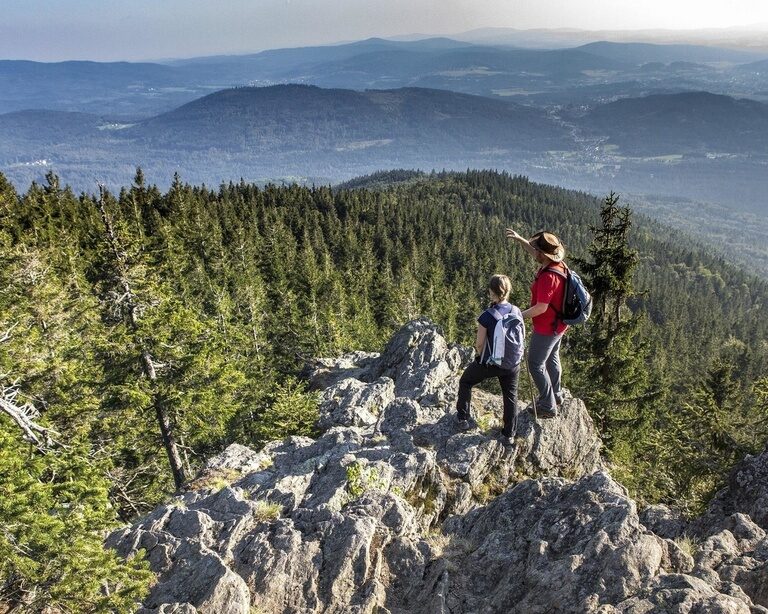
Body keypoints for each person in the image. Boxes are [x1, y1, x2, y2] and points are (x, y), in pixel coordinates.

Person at [506, 228, 567, 419]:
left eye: (537, 251)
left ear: (544, 254)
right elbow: (536, 253)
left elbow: (541, 307)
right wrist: (520, 240)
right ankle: (556, 395)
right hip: (559, 324)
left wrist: (516, 315)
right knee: (552, 357)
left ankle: (548, 405)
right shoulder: (558, 265)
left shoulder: (549, 277)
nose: (535, 253)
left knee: (535, 364)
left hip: (547, 327)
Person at [456, 274, 523, 446]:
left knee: (465, 381)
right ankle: (509, 435)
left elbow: (479, 344)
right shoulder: (516, 311)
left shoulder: (487, 315)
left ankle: (463, 419)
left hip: (492, 362)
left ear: (492, 292)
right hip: (513, 363)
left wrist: (480, 357)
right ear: (508, 291)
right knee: (510, 396)